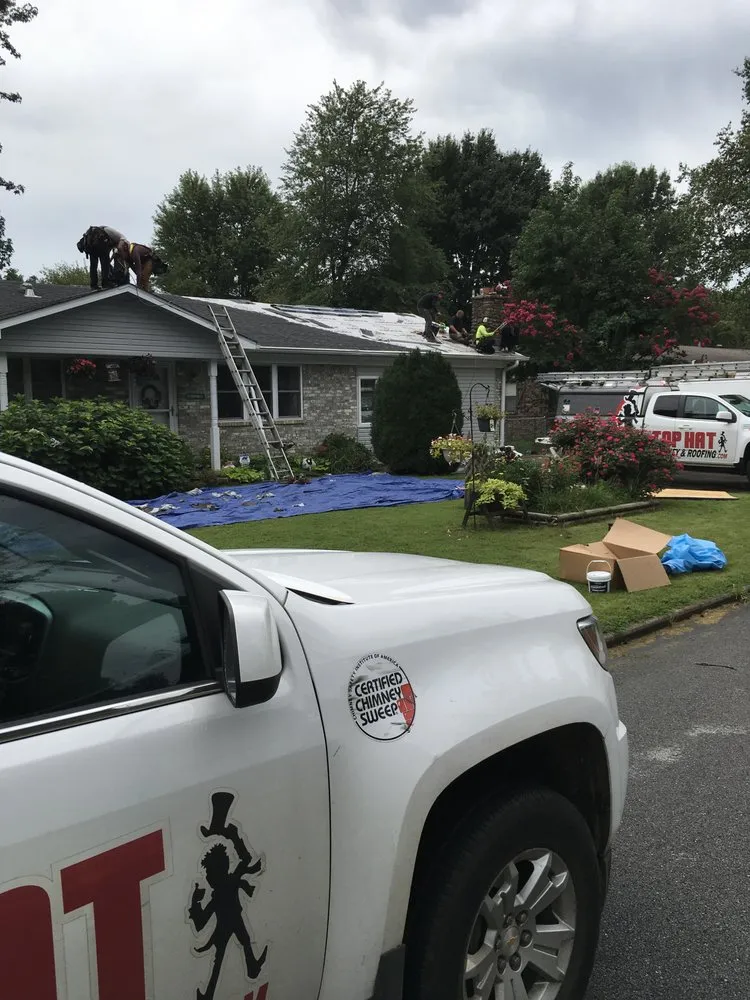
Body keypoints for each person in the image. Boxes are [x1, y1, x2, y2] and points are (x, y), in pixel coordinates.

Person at [76, 225, 127, 289]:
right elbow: (123, 240)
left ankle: (93, 285)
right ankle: (105, 284)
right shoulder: (117, 236)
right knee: (105, 265)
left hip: (91, 246)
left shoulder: (97, 232)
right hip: (100, 245)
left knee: (93, 265)